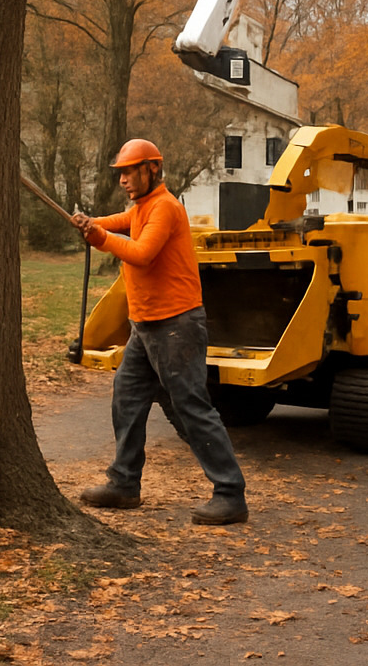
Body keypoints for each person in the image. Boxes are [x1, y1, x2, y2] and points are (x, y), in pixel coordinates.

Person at [71, 139, 248, 525]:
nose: (123, 179)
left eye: (130, 171)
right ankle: (124, 484)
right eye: (120, 172)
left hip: (176, 325)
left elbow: (142, 253)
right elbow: (115, 223)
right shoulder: (141, 208)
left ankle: (231, 494)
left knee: (192, 408)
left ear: (152, 169)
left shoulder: (165, 208)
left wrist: (98, 236)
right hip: (146, 327)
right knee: (127, 398)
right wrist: (90, 223)